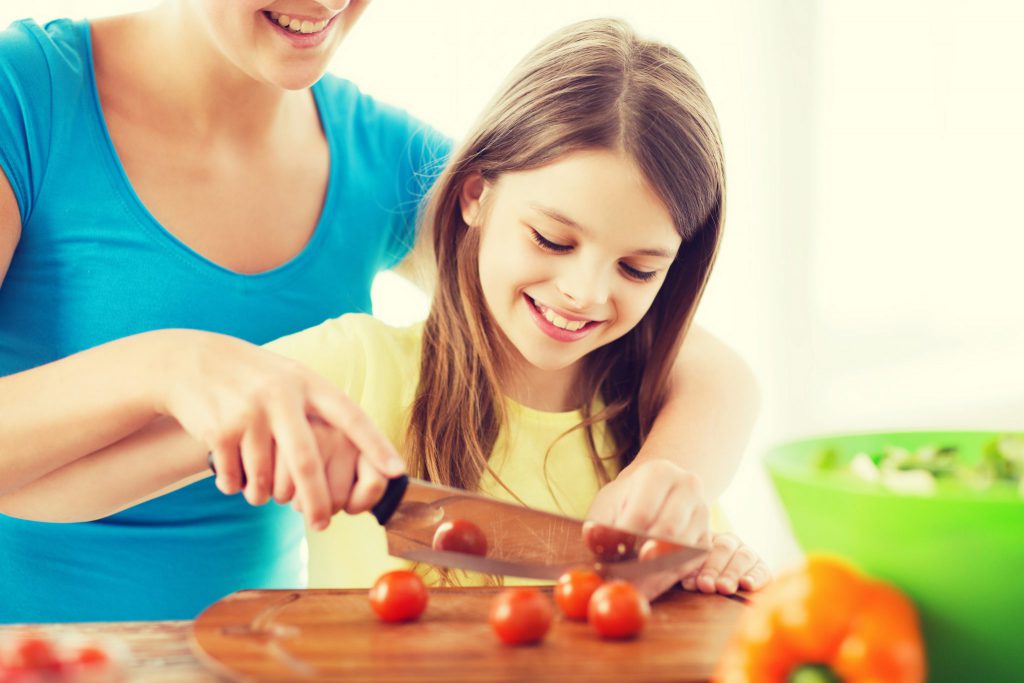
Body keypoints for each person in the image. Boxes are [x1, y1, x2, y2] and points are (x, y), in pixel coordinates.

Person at [0, 3, 759, 623]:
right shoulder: (27, 94)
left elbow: (662, 343)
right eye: (554, 239)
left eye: (634, 267)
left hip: (243, 652)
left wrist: (671, 480)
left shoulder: (384, 159)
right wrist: (171, 365)